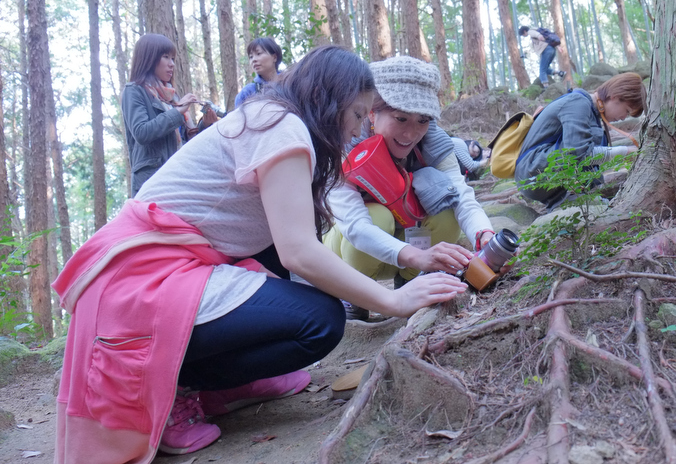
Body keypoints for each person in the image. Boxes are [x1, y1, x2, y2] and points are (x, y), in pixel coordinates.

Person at [52, 46, 465, 462]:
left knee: (305, 303)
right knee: (321, 320)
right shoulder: (281, 128)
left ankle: (226, 385)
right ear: (331, 100)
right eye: (357, 115)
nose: (357, 130)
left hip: (170, 264)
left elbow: (287, 245)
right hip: (143, 278)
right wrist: (393, 301)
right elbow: (299, 253)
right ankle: (178, 384)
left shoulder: (275, 119)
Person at [323, 56, 500, 321]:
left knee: (448, 210)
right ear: (372, 112)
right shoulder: (347, 144)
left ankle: (409, 283)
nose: (411, 133)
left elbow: (463, 197)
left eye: (422, 120)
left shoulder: (435, 144)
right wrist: (418, 257)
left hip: (410, 248)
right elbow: (355, 227)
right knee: (377, 217)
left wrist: (486, 236)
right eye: (401, 118)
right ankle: (354, 294)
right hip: (349, 251)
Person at [514, 72, 646, 210]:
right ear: (615, 96)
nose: (624, 117)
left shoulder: (588, 108)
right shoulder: (578, 103)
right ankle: (567, 199)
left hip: (534, 173)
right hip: (531, 173)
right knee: (579, 147)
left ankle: (569, 198)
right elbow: (577, 153)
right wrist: (626, 152)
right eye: (627, 110)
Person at [122, 33, 199, 195]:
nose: (172, 64)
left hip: (178, 175)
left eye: (173, 59)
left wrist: (205, 124)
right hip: (151, 180)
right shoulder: (134, 91)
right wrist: (177, 112)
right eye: (166, 57)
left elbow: (184, 140)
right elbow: (141, 132)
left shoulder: (172, 96)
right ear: (149, 58)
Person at [235, 37, 283, 108]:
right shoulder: (247, 92)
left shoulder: (290, 85)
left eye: (258, 53)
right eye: (251, 57)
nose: (254, 60)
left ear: (274, 57)